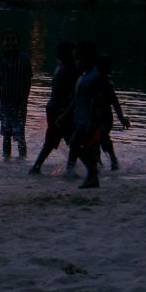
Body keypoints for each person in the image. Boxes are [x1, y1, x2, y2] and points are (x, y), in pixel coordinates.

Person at [29, 41, 77, 174]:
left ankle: (37, 167)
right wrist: (67, 113)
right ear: (69, 54)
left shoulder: (61, 68)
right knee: (73, 141)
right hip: (61, 110)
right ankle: (71, 170)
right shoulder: (71, 69)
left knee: (53, 140)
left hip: (53, 108)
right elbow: (73, 94)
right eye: (74, 52)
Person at [58, 40, 100, 188]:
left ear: (88, 59)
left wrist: (92, 121)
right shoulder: (82, 77)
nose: (76, 62)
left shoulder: (94, 78)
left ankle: (92, 172)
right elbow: (76, 100)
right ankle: (90, 175)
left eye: (78, 58)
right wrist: (66, 116)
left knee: (75, 143)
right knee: (77, 145)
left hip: (88, 121)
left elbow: (97, 101)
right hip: (80, 119)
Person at [0, 29, 33, 157]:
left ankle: (22, 162)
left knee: (20, 136)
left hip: (19, 102)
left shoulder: (24, 59)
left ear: (18, 42)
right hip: (5, 102)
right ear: (2, 43)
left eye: (13, 39)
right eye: (7, 39)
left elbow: (28, 82)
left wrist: (24, 103)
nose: (10, 42)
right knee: (6, 135)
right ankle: (7, 163)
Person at [92, 54, 130, 171]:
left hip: (105, 117)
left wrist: (121, 118)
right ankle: (98, 164)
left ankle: (113, 161)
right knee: (95, 141)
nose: (109, 70)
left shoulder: (107, 85)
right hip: (94, 116)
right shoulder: (92, 81)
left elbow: (115, 103)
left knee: (103, 137)